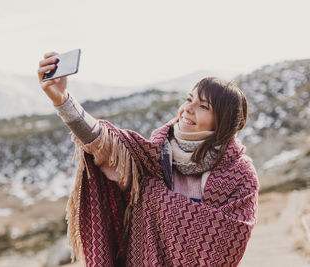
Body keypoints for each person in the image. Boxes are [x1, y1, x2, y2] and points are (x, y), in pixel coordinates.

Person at [38, 52, 259, 267]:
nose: (187, 110)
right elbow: (104, 143)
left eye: (203, 106)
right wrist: (62, 101)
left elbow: (225, 247)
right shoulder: (154, 154)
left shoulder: (239, 175)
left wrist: (155, 197)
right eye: (188, 100)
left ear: (223, 122)